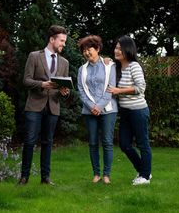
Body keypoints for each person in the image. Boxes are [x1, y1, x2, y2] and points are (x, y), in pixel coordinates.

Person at [18, 25, 70, 186]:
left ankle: (45, 178)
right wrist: (42, 84)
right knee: (30, 141)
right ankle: (24, 177)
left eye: (64, 41)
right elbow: (26, 80)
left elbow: (63, 85)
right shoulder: (34, 56)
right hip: (34, 106)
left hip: (53, 106)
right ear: (52, 39)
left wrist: (64, 91)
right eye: (62, 41)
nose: (64, 44)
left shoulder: (64, 62)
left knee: (48, 142)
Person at [107, 35, 152, 185]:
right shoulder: (117, 67)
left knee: (142, 143)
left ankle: (144, 177)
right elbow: (104, 64)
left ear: (128, 49)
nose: (116, 50)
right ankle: (144, 170)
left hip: (139, 111)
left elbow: (140, 88)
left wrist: (119, 91)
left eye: (120, 48)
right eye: (116, 47)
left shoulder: (134, 66)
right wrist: (105, 60)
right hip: (125, 111)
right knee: (124, 144)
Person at [77, 35, 118, 184]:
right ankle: (96, 174)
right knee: (93, 143)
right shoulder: (82, 70)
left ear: (98, 49)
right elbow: (81, 91)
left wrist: (99, 106)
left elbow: (111, 88)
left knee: (107, 142)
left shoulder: (109, 66)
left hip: (108, 110)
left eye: (90, 50)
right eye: (84, 51)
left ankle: (106, 174)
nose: (87, 53)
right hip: (89, 111)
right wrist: (91, 107)